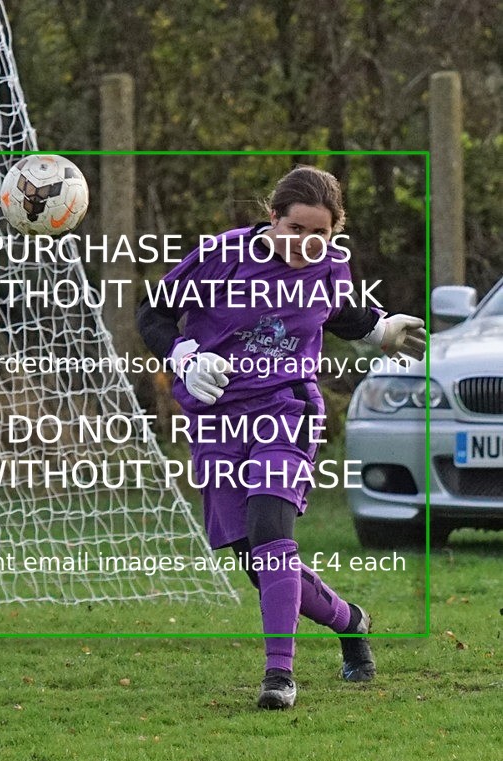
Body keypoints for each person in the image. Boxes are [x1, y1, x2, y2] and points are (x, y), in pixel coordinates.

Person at [136, 165, 426, 710]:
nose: (307, 245)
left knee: (271, 530)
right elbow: (153, 313)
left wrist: (381, 329)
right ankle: (351, 622)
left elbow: (338, 314)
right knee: (254, 556)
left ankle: (279, 676)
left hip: (286, 410)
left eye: (321, 235)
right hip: (217, 417)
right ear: (273, 218)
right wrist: (182, 356)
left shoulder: (330, 268)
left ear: (334, 232)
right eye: (296, 230)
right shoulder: (220, 257)